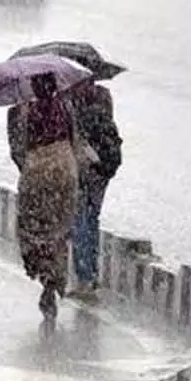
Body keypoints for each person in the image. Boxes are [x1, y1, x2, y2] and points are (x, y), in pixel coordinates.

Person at [8, 73, 80, 319]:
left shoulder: (25, 112)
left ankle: (44, 273)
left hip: (37, 173)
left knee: (32, 227)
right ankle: (53, 280)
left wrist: (31, 170)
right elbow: (73, 140)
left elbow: (18, 149)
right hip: (65, 171)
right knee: (59, 230)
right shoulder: (65, 106)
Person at [68, 81, 122, 298]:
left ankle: (85, 278)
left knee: (80, 219)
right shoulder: (103, 94)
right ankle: (90, 275)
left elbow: (76, 136)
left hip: (87, 168)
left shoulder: (74, 101)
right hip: (104, 167)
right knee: (91, 218)